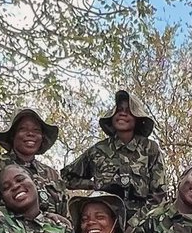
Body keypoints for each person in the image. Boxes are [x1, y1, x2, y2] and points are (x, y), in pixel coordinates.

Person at [61, 90, 168, 222]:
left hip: (141, 223)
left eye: (129, 111)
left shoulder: (150, 148)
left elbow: (159, 194)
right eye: (119, 110)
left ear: (137, 119)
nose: (123, 113)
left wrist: (136, 223)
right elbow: (66, 177)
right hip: (104, 221)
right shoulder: (98, 150)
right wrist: (93, 184)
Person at [0, 108, 67, 216]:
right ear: (13, 135)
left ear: (42, 137)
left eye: (36, 130)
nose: (30, 134)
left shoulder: (52, 175)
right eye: (23, 129)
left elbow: (64, 215)